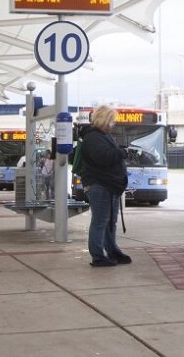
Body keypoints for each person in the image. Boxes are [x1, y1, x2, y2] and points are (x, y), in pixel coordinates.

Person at [80, 105, 131, 267]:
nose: (113, 124)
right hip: (100, 185)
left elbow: (106, 154)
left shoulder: (101, 136)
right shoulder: (94, 137)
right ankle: (98, 256)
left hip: (109, 186)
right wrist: (122, 153)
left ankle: (112, 250)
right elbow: (103, 157)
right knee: (101, 221)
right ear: (104, 120)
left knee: (109, 222)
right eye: (112, 121)